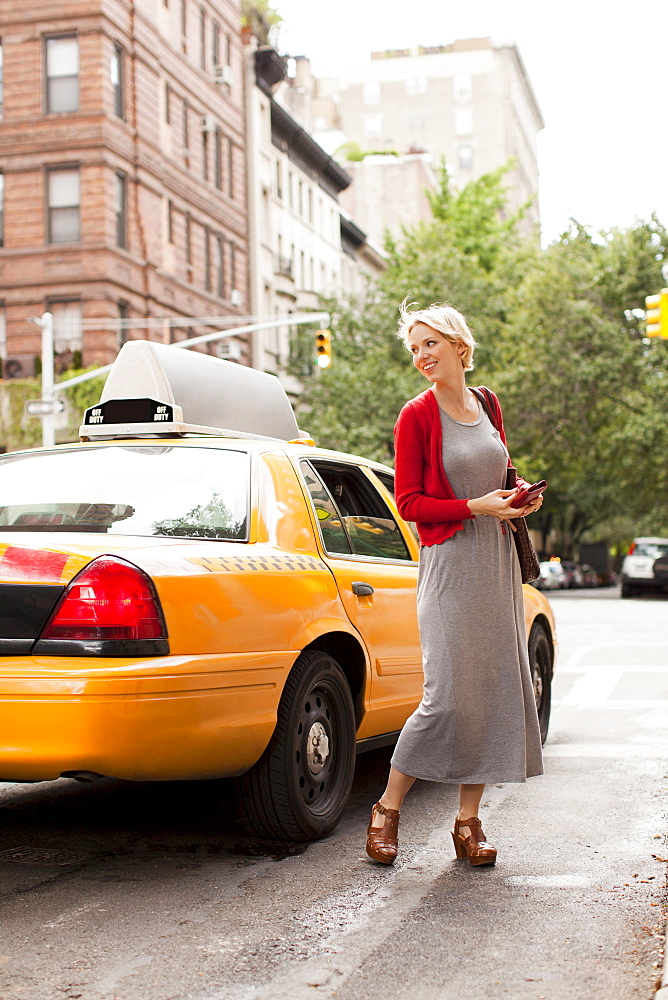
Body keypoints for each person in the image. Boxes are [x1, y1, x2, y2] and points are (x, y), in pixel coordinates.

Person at [366, 300, 544, 868]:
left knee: (492, 692)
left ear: (458, 345)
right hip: (449, 565)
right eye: (414, 348)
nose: (421, 356)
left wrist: (516, 500)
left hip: (495, 563)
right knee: (444, 697)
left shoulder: (487, 402)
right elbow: (410, 503)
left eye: (429, 344)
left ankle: (467, 823)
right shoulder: (415, 416)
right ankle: (387, 809)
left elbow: (500, 474)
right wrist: (476, 507)